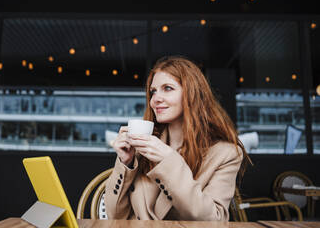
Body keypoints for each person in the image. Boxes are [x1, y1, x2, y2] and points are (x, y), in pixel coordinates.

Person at [105, 55, 249, 221]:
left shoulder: (225, 154)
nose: (155, 99)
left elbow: (213, 221)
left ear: (192, 94)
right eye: (153, 91)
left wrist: (171, 162)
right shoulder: (140, 148)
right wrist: (125, 163)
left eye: (167, 88)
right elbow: (114, 216)